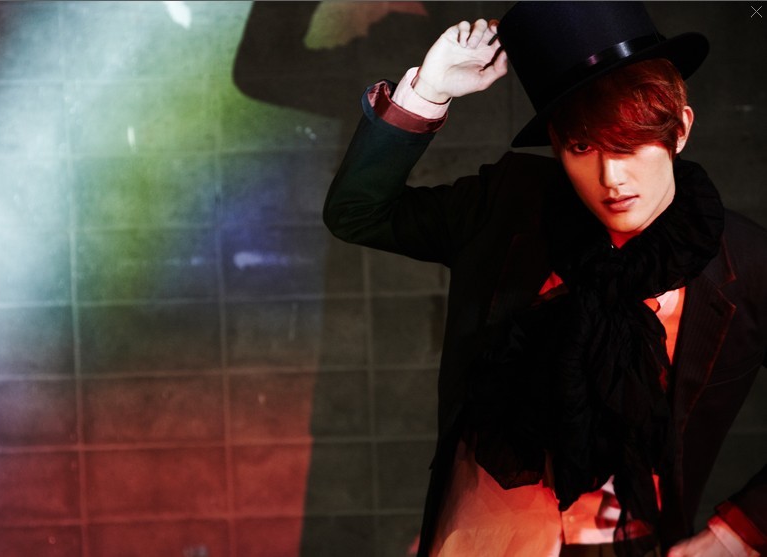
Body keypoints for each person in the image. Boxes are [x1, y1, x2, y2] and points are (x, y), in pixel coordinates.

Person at [322, 2, 766, 557]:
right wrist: (428, 93)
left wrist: (737, 535)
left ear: (680, 131)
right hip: (478, 539)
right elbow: (357, 213)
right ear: (557, 146)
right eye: (583, 147)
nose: (611, 177)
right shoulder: (508, 207)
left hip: (634, 543)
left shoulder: (746, 264)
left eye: (630, 144)